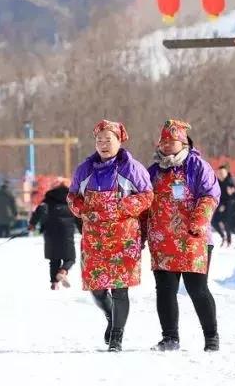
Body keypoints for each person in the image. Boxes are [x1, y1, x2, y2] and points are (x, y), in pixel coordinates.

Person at [68, 119, 153, 352]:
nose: (103, 145)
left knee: (119, 288)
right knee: (96, 287)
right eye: (99, 140)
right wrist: (82, 210)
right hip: (94, 238)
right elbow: (73, 196)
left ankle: (117, 337)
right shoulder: (84, 169)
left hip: (123, 237)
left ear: (119, 141)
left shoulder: (131, 168)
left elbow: (147, 196)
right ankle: (110, 316)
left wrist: (123, 206)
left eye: (108, 140)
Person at [145, 120, 221, 352]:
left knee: (197, 289)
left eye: (172, 141)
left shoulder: (197, 166)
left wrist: (199, 220)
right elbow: (144, 202)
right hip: (161, 239)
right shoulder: (153, 171)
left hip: (192, 238)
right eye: (164, 141)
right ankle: (170, 338)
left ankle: (211, 337)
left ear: (184, 143)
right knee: (165, 290)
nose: (167, 145)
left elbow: (210, 195)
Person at [29, 183, 78, 290]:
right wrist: (82, 229)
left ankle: (54, 283)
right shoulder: (72, 201)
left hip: (50, 233)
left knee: (54, 259)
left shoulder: (48, 200)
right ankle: (63, 272)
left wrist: (32, 224)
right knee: (70, 258)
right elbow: (78, 216)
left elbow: (39, 210)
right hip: (66, 233)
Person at [212, 166, 230, 246]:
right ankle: (223, 236)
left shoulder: (230, 182)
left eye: (222, 173)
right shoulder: (217, 182)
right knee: (214, 221)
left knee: (226, 223)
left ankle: (229, 241)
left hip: (228, 206)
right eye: (219, 173)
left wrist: (225, 205)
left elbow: (233, 196)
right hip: (219, 206)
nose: (221, 175)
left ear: (226, 173)